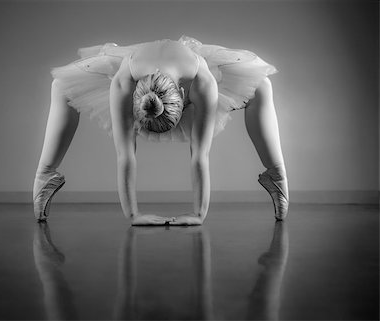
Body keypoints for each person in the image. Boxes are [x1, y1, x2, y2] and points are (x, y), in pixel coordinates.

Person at [33, 35, 289, 226]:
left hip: (188, 69)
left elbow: (200, 155)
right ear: (135, 99)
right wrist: (133, 215)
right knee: (61, 86)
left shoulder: (202, 81)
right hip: (139, 69)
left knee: (262, 86)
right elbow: (125, 154)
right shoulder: (124, 80)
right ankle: (45, 176)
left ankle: (276, 176)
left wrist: (198, 215)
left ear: (183, 95)